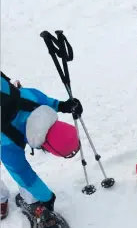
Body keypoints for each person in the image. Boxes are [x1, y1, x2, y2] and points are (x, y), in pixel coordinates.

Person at [1, 72, 83, 225]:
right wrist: (46, 196)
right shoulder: (7, 141)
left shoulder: (32, 97)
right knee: (14, 166)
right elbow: (21, 172)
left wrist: (62, 106)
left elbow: (45, 102)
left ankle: (30, 199)